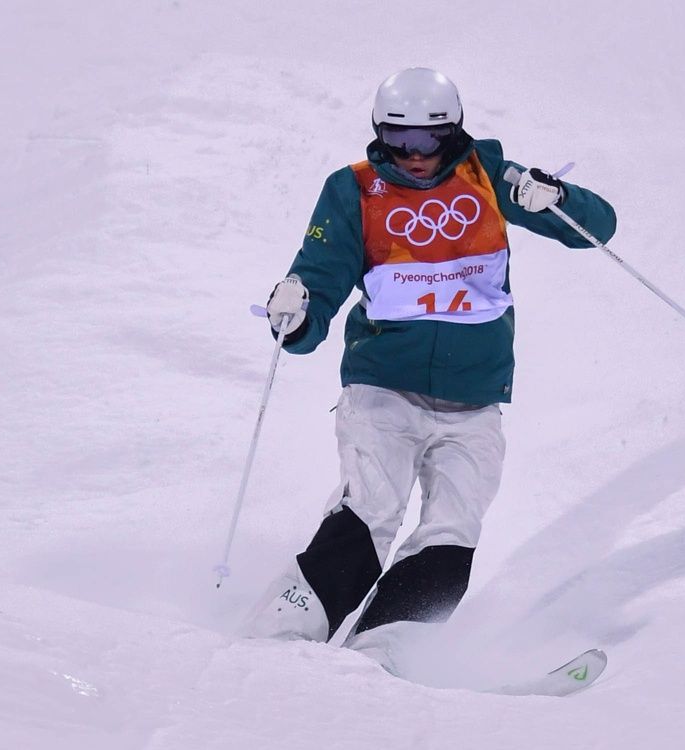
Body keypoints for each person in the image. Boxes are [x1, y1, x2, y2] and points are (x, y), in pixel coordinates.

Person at [243, 67, 617, 673]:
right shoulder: (354, 191)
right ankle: (284, 630)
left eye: (429, 140)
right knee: (372, 505)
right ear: (378, 132)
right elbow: (316, 287)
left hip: (474, 396)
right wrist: (296, 312)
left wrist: (557, 199)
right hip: (382, 387)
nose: (414, 155)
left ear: (455, 131)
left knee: (453, 526)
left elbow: (597, 231)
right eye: (398, 139)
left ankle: (387, 651)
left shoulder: (489, 176)